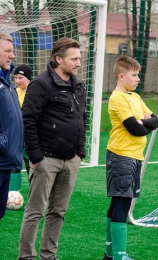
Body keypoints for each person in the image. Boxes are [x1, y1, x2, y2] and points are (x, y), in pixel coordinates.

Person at [18, 37, 86, 260]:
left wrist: (79, 152)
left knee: (58, 212)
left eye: (79, 57)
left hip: (71, 159)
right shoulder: (41, 84)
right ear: (58, 59)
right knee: (35, 211)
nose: (79, 62)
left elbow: (81, 119)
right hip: (46, 159)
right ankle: (26, 257)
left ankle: (49, 256)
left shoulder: (78, 84)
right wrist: (36, 157)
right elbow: (27, 120)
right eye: (74, 58)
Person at [103, 55, 158, 260]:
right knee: (121, 203)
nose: (138, 79)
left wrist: (142, 123)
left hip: (134, 156)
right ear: (121, 76)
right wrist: (142, 123)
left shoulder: (134, 97)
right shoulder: (117, 98)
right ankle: (119, 255)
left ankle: (110, 255)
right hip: (121, 156)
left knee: (118, 203)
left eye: (138, 75)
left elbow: (156, 121)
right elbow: (135, 129)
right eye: (134, 75)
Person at [0, 33, 24, 220]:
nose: (12, 55)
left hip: (6, 162)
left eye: (12, 51)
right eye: (7, 51)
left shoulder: (7, 82)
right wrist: (3, 143)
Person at [9, 64, 32, 191]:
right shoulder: (13, 92)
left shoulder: (34, 93)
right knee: (14, 165)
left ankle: (35, 197)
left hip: (29, 137)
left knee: (31, 167)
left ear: (28, 78)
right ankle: (13, 194)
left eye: (21, 78)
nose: (17, 81)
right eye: (16, 77)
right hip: (15, 137)